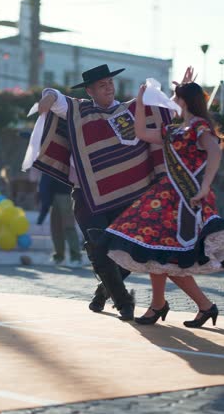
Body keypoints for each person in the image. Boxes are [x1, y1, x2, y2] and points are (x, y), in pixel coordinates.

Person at [23, 64, 171, 320]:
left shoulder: (128, 111)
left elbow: (159, 109)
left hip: (127, 196)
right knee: (98, 247)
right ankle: (124, 302)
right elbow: (56, 97)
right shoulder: (79, 109)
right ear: (90, 91)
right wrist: (47, 98)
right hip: (87, 195)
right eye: (102, 85)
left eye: (110, 83)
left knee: (130, 252)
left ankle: (104, 291)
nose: (108, 87)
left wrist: (173, 94)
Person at [97, 80, 224, 328]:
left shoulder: (198, 127)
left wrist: (206, 185)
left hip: (186, 202)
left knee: (168, 257)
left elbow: (215, 152)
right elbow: (142, 132)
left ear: (183, 101)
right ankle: (174, 305)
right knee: (154, 253)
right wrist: (141, 103)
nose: (171, 101)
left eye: (175, 97)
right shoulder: (175, 129)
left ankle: (180, 305)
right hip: (167, 200)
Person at [37, 172, 83, 266]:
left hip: (65, 194)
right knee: (56, 228)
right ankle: (58, 257)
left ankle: (76, 258)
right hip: (53, 195)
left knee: (69, 227)